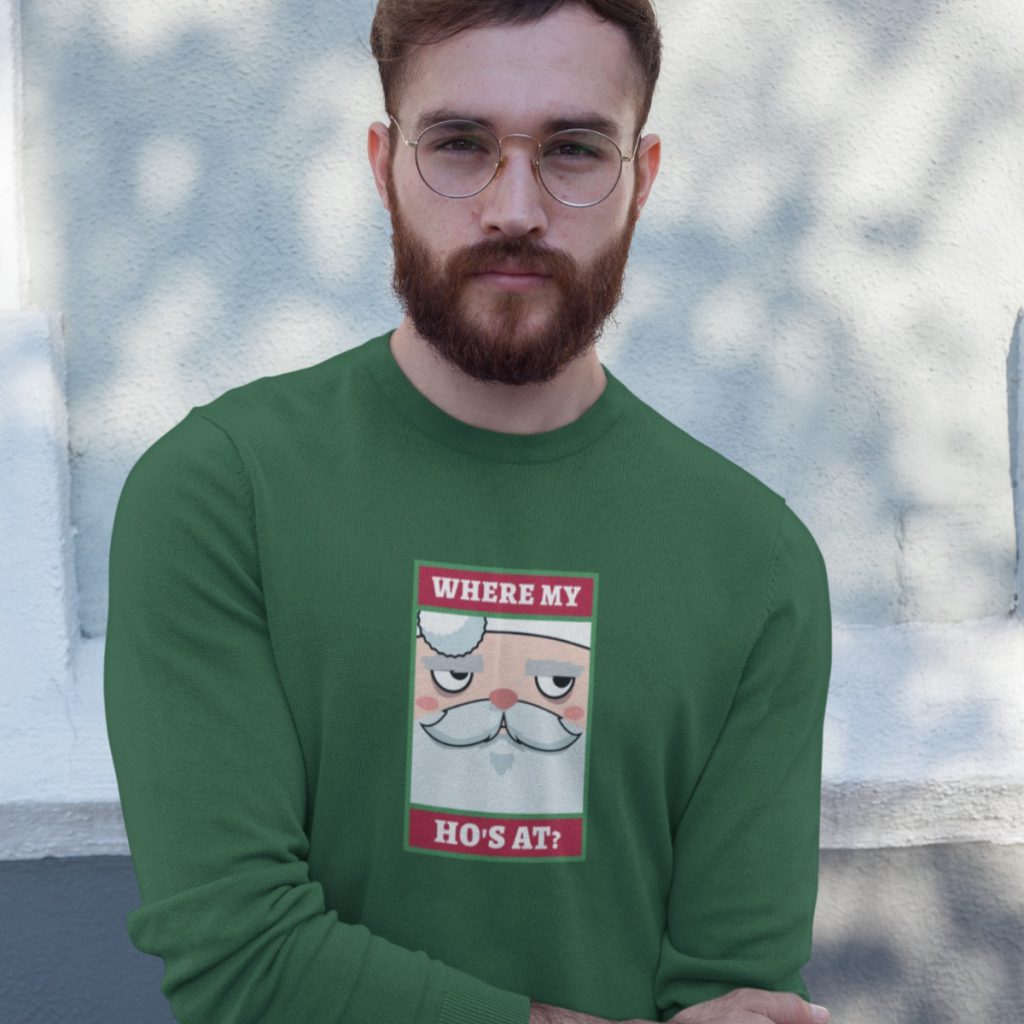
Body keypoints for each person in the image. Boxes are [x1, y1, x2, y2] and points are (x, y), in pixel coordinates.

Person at [103, 2, 833, 1023]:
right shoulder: (222, 495)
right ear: (383, 165)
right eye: (459, 144)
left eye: (574, 149)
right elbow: (241, 960)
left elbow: (737, 996)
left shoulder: (755, 561)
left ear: (643, 178)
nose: (515, 208)